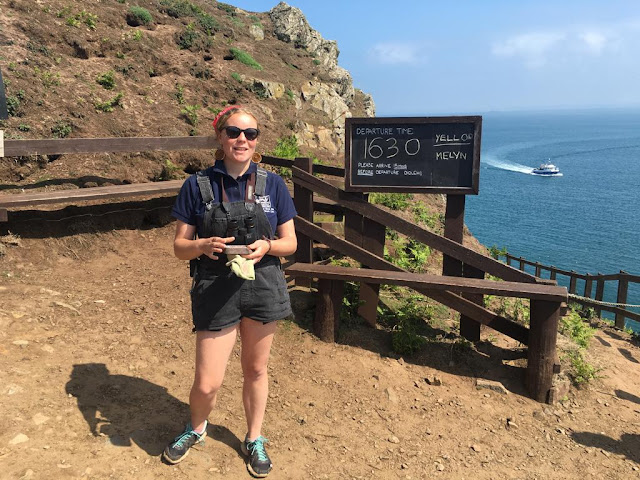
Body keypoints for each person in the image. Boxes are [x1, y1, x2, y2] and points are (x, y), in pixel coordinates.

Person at [163, 105, 297, 478]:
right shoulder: (197, 185)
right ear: (220, 137)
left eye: (250, 134)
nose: (243, 140)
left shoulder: (273, 184)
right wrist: (201, 245)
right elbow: (178, 247)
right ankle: (197, 428)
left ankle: (254, 437)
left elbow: (291, 243)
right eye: (235, 132)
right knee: (208, 381)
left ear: (257, 141)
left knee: (255, 369)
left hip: (264, 283)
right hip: (215, 285)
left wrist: (268, 247)